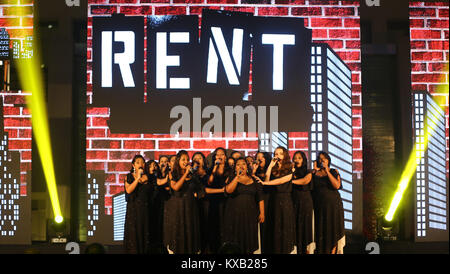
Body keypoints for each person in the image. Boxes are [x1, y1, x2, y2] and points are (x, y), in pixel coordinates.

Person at [223, 157, 265, 254]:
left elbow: (260, 197)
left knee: (248, 237)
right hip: (234, 214)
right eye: (238, 164)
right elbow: (228, 190)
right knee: (235, 238)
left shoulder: (254, 179)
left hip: (250, 215)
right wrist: (237, 177)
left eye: (243, 164)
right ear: (235, 168)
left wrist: (262, 213)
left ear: (247, 166)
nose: (241, 166)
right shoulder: (232, 178)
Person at [163, 150, 202, 254]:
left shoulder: (192, 175)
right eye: (183, 159)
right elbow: (176, 187)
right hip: (178, 207)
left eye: (187, 159)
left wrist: (197, 194)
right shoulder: (173, 174)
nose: (186, 161)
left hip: (190, 207)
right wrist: (185, 174)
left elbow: (200, 188)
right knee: (178, 229)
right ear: (178, 161)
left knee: (190, 229)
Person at [262, 147, 296, 254]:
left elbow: (281, 181)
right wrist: (270, 166)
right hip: (274, 200)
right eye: (276, 154)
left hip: (285, 200)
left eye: (280, 153)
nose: (278, 156)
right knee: (275, 227)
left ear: (285, 155)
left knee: (285, 226)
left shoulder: (290, 167)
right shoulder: (274, 168)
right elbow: (266, 180)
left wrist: (265, 183)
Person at [311, 151, 345, 254]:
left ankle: (333, 251)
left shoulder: (334, 171)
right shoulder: (314, 173)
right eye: (320, 159)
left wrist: (327, 171)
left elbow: (337, 186)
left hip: (333, 206)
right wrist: (314, 170)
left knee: (332, 230)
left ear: (328, 161)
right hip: (319, 206)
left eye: (324, 159)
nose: (321, 161)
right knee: (321, 230)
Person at [123, 154, 152, 254]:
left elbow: (144, 182)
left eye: (142, 162)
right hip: (133, 209)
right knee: (133, 235)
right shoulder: (129, 177)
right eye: (138, 162)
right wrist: (137, 178)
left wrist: (140, 177)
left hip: (144, 210)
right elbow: (129, 190)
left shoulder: (147, 177)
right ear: (133, 165)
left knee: (143, 233)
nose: (141, 164)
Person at [206, 147, 231, 253]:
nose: (219, 156)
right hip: (214, 201)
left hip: (226, 201)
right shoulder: (211, 169)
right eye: (217, 155)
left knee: (225, 224)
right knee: (214, 225)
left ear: (225, 157)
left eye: (222, 154)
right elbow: (209, 183)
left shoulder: (229, 169)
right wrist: (215, 168)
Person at [291, 151, 314, 254]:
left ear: (303, 159)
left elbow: (305, 181)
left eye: (299, 158)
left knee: (305, 226)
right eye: (295, 158)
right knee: (295, 226)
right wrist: (291, 172)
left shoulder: (308, 171)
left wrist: (290, 181)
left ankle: (306, 250)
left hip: (305, 201)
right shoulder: (291, 171)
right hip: (294, 201)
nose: (296, 160)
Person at [252, 151, 273, 254]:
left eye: (261, 158)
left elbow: (267, 183)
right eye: (257, 157)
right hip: (257, 201)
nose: (259, 159)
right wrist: (253, 171)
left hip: (268, 200)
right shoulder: (254, 172)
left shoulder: (271, 171)